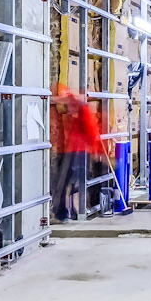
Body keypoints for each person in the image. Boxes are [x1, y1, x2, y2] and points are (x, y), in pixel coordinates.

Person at [50, 85, 105, 222]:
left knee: (65, 183)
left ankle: (63, 213)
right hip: (74, 151)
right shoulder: (76, 107)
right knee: (74, 183)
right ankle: (72, 212)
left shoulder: (80, 106)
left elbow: (90, 130)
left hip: (74, 152)